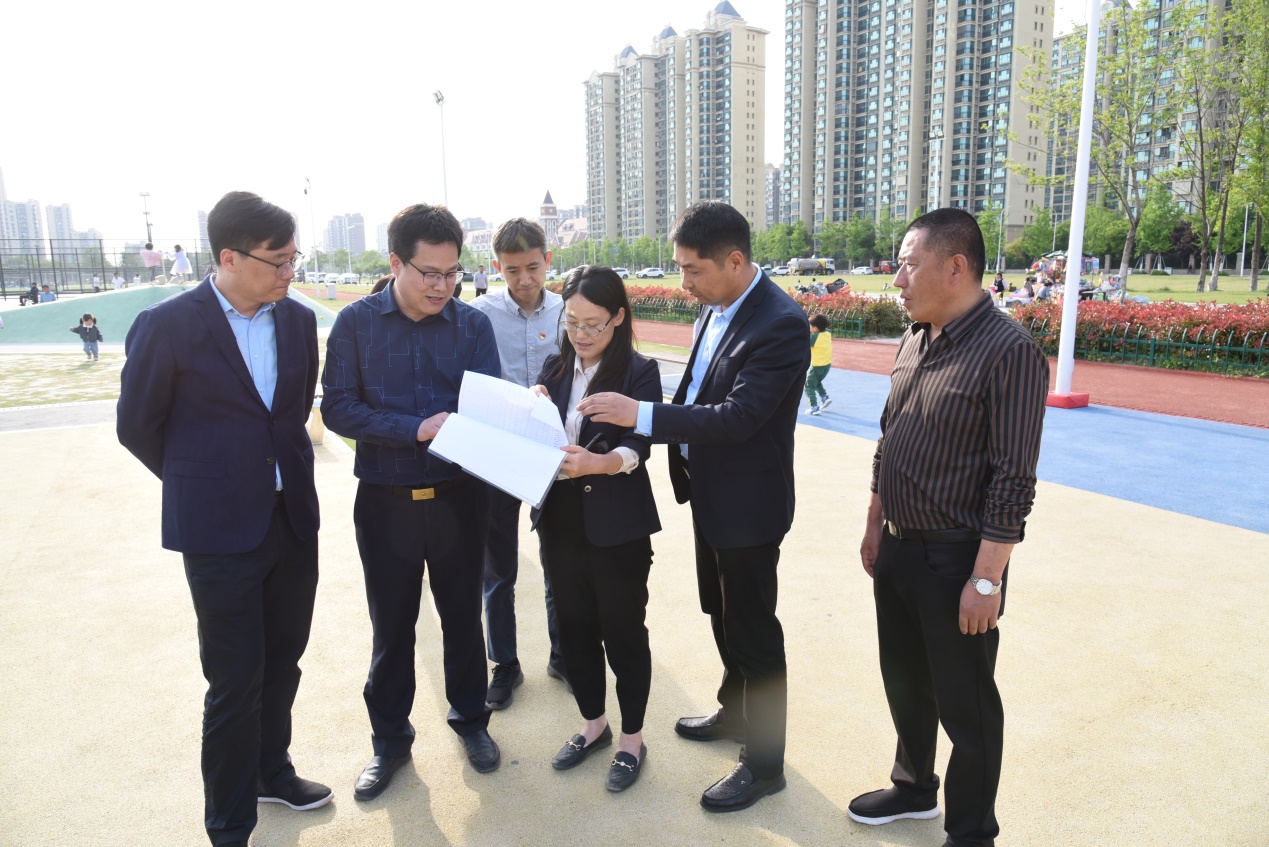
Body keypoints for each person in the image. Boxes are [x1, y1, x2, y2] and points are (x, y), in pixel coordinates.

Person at [580, 200, 811, 813]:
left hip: (749, 505)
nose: (684, 283)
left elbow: (738, 417)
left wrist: (642, 415)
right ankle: (735, 712)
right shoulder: (716, 306)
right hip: (709, 493)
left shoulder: (781, 323)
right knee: (721, 611)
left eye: (692, 270)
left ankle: (765, 765)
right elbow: (696, 387)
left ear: (734, 260)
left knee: (754, 630)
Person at [116, 191, 329, 847]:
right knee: (235, 679)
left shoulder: (296, 321)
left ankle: (272, 771)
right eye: (277, 261)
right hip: (218, 533)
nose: (289, 272)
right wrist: (205, 483)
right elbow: (137, 426)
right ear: (229, 257)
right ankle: (230, 822)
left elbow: (292, 411)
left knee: (284, 661)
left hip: (291, 520)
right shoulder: (167, 325)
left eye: (294, 258)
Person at [852, 208, 1048, 847]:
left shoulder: (1009, 352)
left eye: (909, 265)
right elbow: (889, 436)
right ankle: (914, 788)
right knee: (905, 681)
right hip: (899, 548)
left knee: (967, 705)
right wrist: (875, 522)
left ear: (956, 266)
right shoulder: (915, 337)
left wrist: (986, 581)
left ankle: (971, 833)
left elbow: (1013, 480)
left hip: (957, 560)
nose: (897, 279)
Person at [321, 203, 505, 800]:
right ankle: (390, 743)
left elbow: (489, 406)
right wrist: (413, 429)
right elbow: (337, 407)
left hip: (460, 498)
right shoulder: (355, 324)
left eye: (452, 273)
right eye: (429, 273)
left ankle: (472, 722)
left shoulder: (472, 326)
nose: (442, 286)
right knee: (392, 626)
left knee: (462, 620)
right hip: (386, 501)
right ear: (396, 262)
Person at [530, 266, 662, 792]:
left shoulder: (639, 372)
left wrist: (599, 464)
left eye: (593, 324)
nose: (581, 335)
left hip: (618, 528)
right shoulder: (555, 367)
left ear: (618, 318)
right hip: (559, 523)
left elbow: (641, 447)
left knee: (624, 633)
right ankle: (594, 725)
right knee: (575, 630)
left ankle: (632, 739)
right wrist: (532, 412)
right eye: (572, 321)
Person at [468, 218, 567, 709]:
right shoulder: (478, 315)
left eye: (532, 267)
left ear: (548, 260)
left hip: (554, 455)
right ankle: (504, 663)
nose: (525, 280)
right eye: (512, 270)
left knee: (560, 563)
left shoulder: (568, 310)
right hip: (500, 455)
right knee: (498, 569)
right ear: (495, 267)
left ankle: (563, 654)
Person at [804, 313, 833, 416]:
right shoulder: (827, 334)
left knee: (808, 386)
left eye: (810, 326)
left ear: (815, 328)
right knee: (816, 382)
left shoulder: (814, 337)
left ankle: (814, 407)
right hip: (826, 365)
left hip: (816, 366)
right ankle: (824, 397)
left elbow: (804, 342)